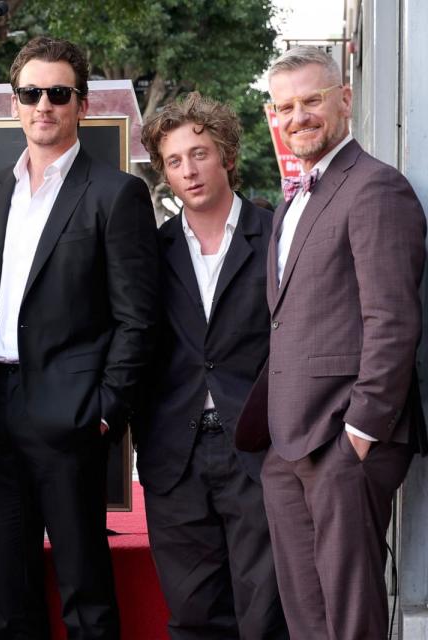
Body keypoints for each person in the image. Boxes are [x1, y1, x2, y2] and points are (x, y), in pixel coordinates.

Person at [0, 37, 159, 639]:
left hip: (71, 419)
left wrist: (103, 413)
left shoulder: (115, 194)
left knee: (85, 592)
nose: (43, 104)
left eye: (58, 93)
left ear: (82, 105)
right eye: (31, 93)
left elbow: (138, 320)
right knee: (8, 591)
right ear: (14, 103)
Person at [236, 45, 427, 639]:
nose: (298, 117)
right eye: (285, 106)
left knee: (349, 619)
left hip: (345, 440)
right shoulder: (297, 197)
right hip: (289, 444)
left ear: (345, 99)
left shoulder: (375, 188)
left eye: (312, 100)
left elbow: (393, 319)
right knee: (307, 619)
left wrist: (361, 434)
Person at [138, 92, 287, 639]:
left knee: (267, 617)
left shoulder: (277, 238)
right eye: (174, 161)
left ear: (226, 154)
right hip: (174, 457)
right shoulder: (149, 252)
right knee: (195, 618)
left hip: (258, 450)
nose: (189, 170)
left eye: (199, 153)